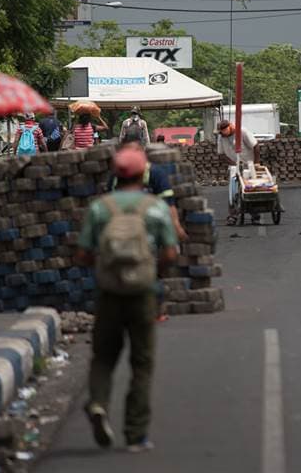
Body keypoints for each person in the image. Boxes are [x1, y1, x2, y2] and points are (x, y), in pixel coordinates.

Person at [77, 147, 178, 453]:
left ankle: (98, 402)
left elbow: (82, 254)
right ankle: (135, 434)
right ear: (143, 174)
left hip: (109, 292)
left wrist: (103, 265)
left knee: (103, 356)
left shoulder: (100, 208)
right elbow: (170, 252)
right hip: (142, 293)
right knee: (142, 362)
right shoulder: (155, 208)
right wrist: (154, 270)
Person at [109, 137, 188, 322]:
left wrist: (176, 226)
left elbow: (168, 204)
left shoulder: (156, 174)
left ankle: (153, 306)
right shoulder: (115, 177)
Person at [217, 119, 260, 225]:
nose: (224, 134)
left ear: (230, 127)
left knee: (250, 190)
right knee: (233, 191)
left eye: (225, 131)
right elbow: (221, 154)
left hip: (248, 165)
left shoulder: (242, 132)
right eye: (222, 132)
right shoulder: (221, 137)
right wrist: (233, 163)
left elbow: (255, 146)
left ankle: (255, 215)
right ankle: (233, 215)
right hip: (234, 167)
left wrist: (256, 163)